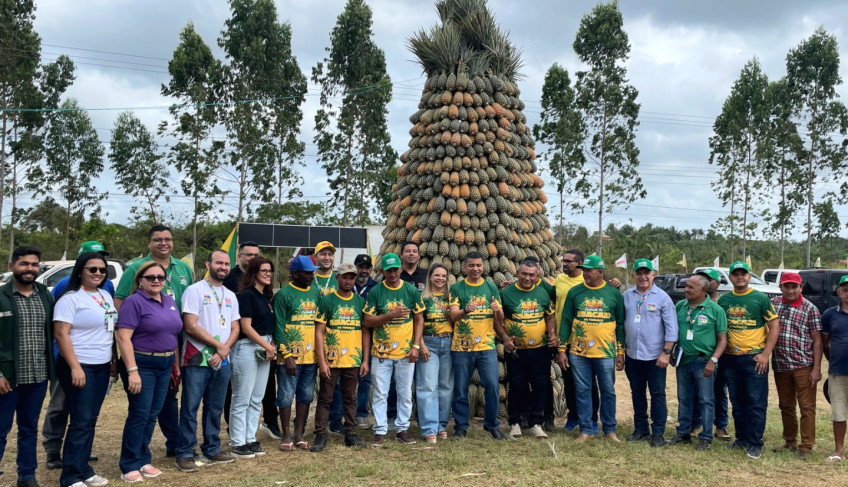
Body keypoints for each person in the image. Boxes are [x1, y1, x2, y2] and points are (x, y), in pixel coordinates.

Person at [115, 224, 194, 458]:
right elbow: (120, 302)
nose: (164, 243)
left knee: (169, 394)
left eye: (168, 239)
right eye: (158, 239)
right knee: (142, 407)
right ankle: (136, 455)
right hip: (143, 343)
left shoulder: (184, 268)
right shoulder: (136, 268)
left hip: (173, 341)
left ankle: (173, 442)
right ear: (149, 243)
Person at [43, 241, 112, 470]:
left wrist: (112, 360)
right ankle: (58, 457)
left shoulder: (107, 291)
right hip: (73, 360)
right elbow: (60, 331)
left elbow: (108, 326)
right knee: (65, 409)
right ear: (80, 267)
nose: (98, 272)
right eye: (92, 267)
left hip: (99, 363)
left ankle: (81, 460)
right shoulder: (67, 290)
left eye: (102, 267)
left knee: (87, 417)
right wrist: (72, 365)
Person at [115, 262, 183, 482]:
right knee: (139, 414)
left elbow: (173, 335)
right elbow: (123, 337)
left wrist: (176, 364)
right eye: (151, 277)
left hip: (166, 364)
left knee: (152, 414)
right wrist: (132, 371)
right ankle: (129, 464)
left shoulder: (169, 301)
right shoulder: (133, 302)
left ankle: (143, 458)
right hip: (142, 363)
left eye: (160, 277)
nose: (156, 281)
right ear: (140, 280)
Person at [175, 250, 241, 472]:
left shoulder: (231, 295)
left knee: (215, 406)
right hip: (196, 357)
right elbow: (190, 325)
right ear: (208, 264)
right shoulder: (194, 290)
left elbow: (235, 327)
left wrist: (224, 350)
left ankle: (212, 447)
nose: (222, 267)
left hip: (222, 359)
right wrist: (218, 346)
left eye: (226, 264)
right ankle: (185, 451)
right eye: (218, 263)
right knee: (190, 407)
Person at [0, 246, 54, 487]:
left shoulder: (45, 294)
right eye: (24, 264)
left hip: (38, 375)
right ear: (12, 266)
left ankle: (26, 476)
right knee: (0, 430)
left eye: (34, 264)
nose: (29, 269)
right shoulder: (1, 296)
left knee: (29, 427)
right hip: (7, 378)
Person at [557, 255, 624, 444]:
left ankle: (610, 429)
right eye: (584, 270)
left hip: (605, 353)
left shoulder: (613, 293)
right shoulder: (575, 292)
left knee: (608, 391)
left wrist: (620, 352)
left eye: (589, 270)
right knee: (582, 390)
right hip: (579, 353)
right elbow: (566, 323)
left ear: (600, 272)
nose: (585, 273)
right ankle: (586, 429)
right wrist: (562, 350)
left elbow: (620, 325)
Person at [717, 261, 779, 459]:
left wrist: (765, 354)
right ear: (731, 277)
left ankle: (755, 443)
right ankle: (741, 438)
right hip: (730, 359)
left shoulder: (760, 298)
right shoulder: (724, 300)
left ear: (749, 276)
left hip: (754, 359)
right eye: (736, 274)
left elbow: (774, 326)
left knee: (755, 402)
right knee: (737, 401)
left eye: (743, 274)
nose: (740, 277)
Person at [363, 253, 424, 446]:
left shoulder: (411, 290)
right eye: (388, 270)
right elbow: (368, 321)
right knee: (380, 392)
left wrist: (416, 346)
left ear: (401, 269)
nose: (392, 273)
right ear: (382, 272)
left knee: (405, 392)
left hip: (406, 353)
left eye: (395, 269)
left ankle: (402, 428)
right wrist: (390, 315)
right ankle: (380, 429)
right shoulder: (376, 292)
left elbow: (419, 318)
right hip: (381, 353)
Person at [311, 263, 370, 451]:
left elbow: (365, 332)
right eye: (344, 277)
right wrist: (322, 362)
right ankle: (321, 435)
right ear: (337, 278)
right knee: (325, 398)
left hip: (353, 359)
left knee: (350, 398)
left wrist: (365, 359)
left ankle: (351, 434)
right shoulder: (328, 301)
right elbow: (319, 332)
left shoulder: (360, 302)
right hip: (332, 359)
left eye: (351, 277)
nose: (348, 280)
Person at [449, 251, 506, 440]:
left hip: (486, 346)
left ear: (484, 267)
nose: (475, 269)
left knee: (491, 385)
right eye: (471, 265)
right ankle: (461, 426)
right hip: (462, 347)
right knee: (460, 388)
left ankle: (491, 425)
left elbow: (500, 318)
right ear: (465, 267)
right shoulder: (457, 288)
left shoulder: (491, 287)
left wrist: (497, 311)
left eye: (479, 265)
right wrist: (467, 309)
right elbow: (453, 316)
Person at [497, 259, 557, 439]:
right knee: (516, 385)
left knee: (540, 385)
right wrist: (505, 338)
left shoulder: (542, 293)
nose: (527, 278)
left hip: (540, 349)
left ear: (537, 276)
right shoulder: (505, 293)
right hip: (516, 350)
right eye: (524, 274)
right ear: (517, 273)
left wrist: (552, 332)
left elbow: (550, 316)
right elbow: (497, 321)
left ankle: (536, 423)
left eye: (531, 275)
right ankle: (515, 423)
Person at [622, 259, 677, 448]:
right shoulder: (627, 295)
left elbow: (672, 328)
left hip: (655, 356)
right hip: (632, 355)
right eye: (639, 273)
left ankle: (658, 433)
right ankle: (641, 429)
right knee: (637, 392)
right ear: (633, 275)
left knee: (657, 394)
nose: (643, 276)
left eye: (647, 273)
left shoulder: (662, 297)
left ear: (653, 275)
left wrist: (666, 352)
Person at [668, 275, 727, 451]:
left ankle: (706, 437)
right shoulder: (680, 306)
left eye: (691, 287)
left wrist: (713, 361)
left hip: (704, 361)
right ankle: (683, 433)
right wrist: (671, 351)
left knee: (706, 400)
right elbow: (673, 332)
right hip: (683, 359)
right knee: (684, 398)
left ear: (703, 290)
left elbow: (722, 340)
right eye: (686, 286)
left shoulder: (715, 310)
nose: (686, 290)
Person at [770, 272, 822, 460]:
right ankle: (790, 441)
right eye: (787, 286)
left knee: (807, 407)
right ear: (781, 287)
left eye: (794, 286)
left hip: (804, 365)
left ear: (801, 288)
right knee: (786, 405)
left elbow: (817, 341)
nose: (791, 290)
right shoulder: (773, 304)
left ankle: (806, 445)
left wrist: (816, 369)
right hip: (781, 364)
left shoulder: (810, 309)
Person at [272, 255, 322, 451]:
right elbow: (279, 327)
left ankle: (299, 434)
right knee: (285, 396)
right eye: (308, 273)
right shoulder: (283, 295)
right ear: (295, 274)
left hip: (311, 357)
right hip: (289, 358)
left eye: (312, 272)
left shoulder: (316, 293)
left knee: (306, 396)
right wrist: (286, 356)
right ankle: (286, 435)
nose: (311, 275)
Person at [230, 258, 277, 458]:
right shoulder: (246, 296)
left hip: (264, 349)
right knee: (242, 397)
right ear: (253, 273)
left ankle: (250, 438)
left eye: (269, 270)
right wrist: (268, 346)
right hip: (248, 348)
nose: (267, 273)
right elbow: (246, 327)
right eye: (263, 270)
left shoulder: (265, 296)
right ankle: (237, 442)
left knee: (256, 398)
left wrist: (271, 345)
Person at [554, 249, 600, 434]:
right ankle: (573, 417)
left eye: (569, 262)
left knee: (590, 383)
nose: (564, 264)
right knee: (569, 382)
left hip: (585, 341)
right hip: (564, 340)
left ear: (579, 263)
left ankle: (592, 419)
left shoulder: (587, 281)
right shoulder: (559, 280)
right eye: (563, 261)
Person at [415, 264, 454, 443]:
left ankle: (441, 424)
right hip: (429, 342)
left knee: (445, 387)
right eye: (437, 275)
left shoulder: (451, 297)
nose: (440, 279)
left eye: (444, 276)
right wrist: (421, 345)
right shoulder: (422, 297)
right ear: (430, 277)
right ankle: (429, 427)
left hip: (448, 341)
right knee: (428, 386)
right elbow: (417, 323)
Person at [694, 267, 730, 441]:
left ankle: (721, 426)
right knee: (697, 391)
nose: (706, 282)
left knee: (719, 390)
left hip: (720, 355)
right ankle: (696, 424)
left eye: (709, 279)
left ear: (718, 283)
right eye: (702, 278)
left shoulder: (722, 303)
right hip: (700, 355)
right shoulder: (694, 301)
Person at [823, 275, 848, 462]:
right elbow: (824, 343)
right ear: (839, 292)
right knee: (839, 412)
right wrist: (833, 360)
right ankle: (839, 451)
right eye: (845, 290)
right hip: (838, 371)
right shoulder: (830, 314)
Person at [352, 254, 377, 429]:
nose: (364, 270)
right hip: (348, 335)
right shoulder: (346, 284)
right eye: (361, 267)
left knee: (365, 379)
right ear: (355, 268)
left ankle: (361, 414)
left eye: (367, 267)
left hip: (370, 337)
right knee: (343, 380)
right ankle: (339, 414)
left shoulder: (376, 288)